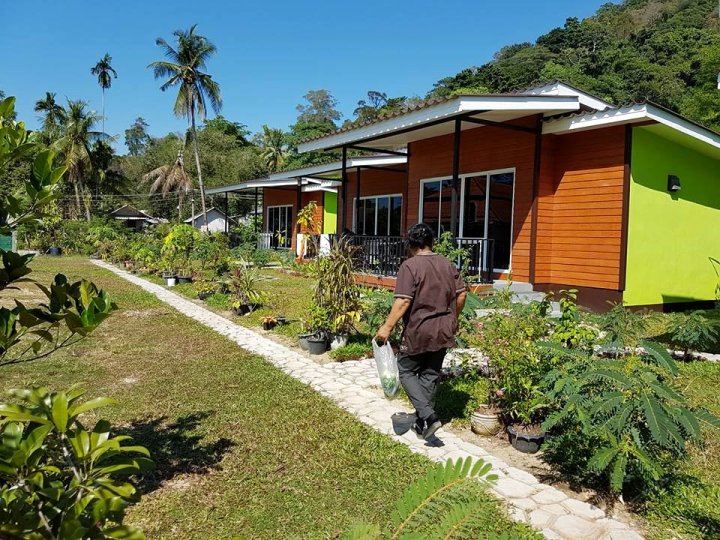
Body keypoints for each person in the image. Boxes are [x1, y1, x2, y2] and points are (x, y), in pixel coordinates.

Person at [375, 223, 467, 440]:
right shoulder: (447, 263)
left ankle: (428, 416)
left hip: (420, 329)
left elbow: (403, 301)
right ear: (431, 242)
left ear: (411, 244)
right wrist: (454, 317)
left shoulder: (410, 266)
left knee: (405, 370)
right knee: (429, 373)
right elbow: (461, 295)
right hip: (444, 328)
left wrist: (386, 327)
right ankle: (422, 422)